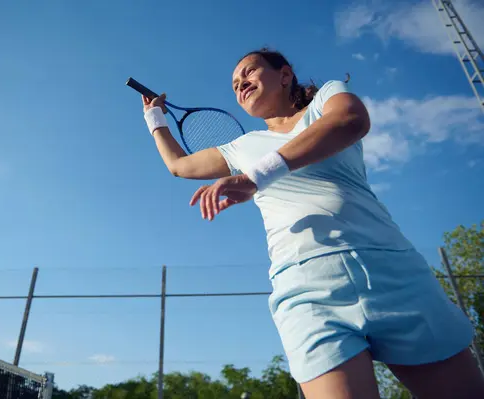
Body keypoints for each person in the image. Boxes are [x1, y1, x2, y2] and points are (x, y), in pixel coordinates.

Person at [139, 48, 484, 399]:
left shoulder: (326, 99)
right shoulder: (240, 148)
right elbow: (178, 166)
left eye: (249, 71)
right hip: (306, 288)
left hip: (394, 272)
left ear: (285, 75)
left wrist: (255, 177)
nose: (240, 82)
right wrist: (155, 118)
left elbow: (351, 119)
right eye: (234, 83)